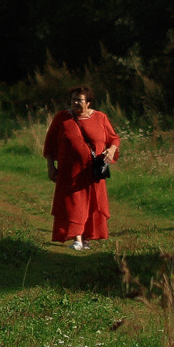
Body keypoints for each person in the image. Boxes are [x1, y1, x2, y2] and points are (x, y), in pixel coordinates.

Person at [43, 85, 119, 249]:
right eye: (73, 100)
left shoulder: (100, 118)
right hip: (69, 172)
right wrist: (51, 166)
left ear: (88, 102)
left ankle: (86, 239)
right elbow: (49, 144)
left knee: (92, 204)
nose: (76, 103)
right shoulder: (61, 118)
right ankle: (77, 238)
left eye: (80, 100)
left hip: (93, 171)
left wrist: (111, 150)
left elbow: (114, 139)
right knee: (74, 204)